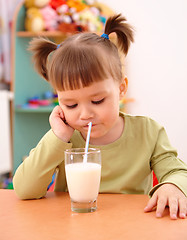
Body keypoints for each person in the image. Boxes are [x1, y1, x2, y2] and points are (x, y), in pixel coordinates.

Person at [13, 14, 187, 220]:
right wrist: (58, 138)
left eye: (97, 101)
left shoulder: (148, 132)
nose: (85, 114)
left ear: (121, 89)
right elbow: (25, 190)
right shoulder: (64, 139)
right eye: (71, 104)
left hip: (131, 227)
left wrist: (172, 185)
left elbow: (178, 172)